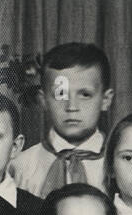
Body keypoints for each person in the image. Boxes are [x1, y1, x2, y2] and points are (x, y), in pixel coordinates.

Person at [12, 43, 113, 199]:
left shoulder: (120, 165)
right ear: (43, 100)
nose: (72, 106)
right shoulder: (20, 167)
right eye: (60, 94)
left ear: (105, 100)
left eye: (85, 94)